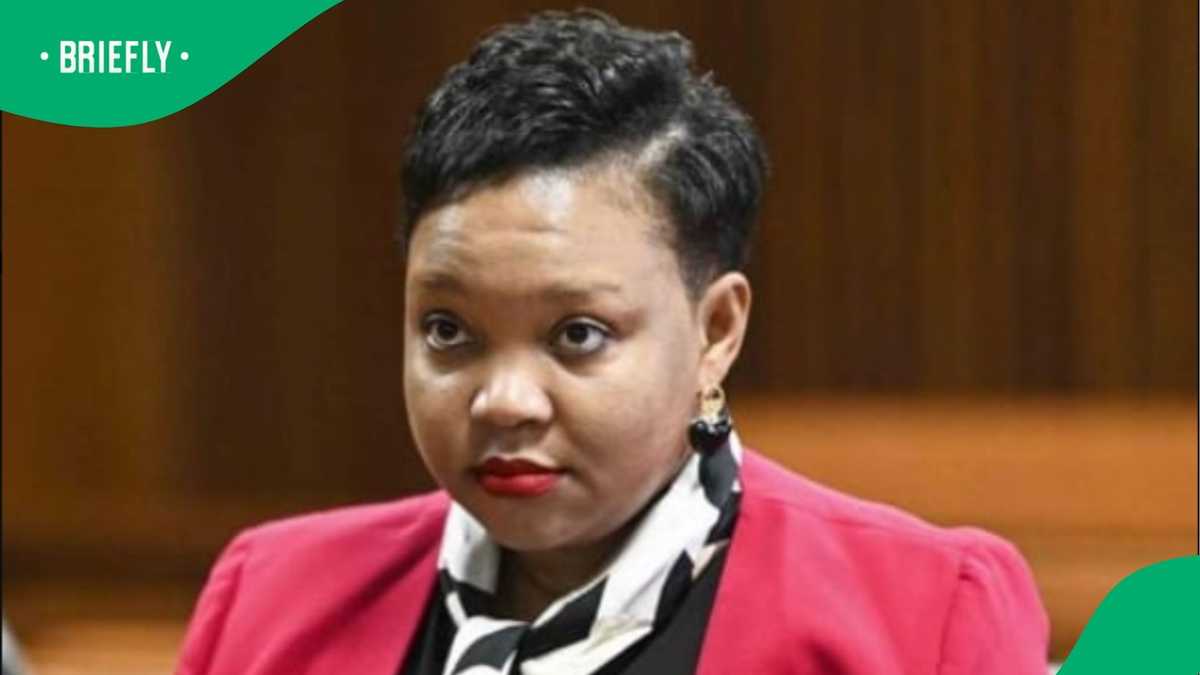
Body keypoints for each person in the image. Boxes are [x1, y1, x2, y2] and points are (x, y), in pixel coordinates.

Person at [176, 10, 1049, 674]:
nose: (504, 401)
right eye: (448, 330)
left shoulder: (922, 619)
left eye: (577, 334)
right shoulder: (273, 600)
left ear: (716, 331)